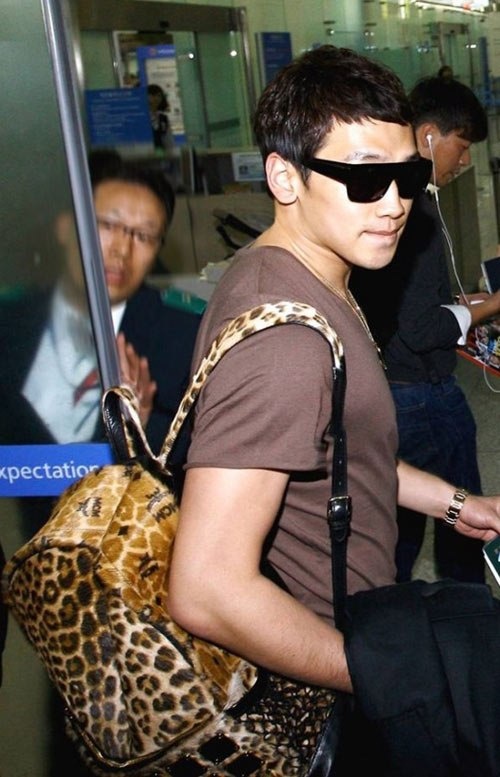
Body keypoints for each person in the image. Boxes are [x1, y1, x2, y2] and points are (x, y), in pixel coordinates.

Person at [167, 42, 500, 740]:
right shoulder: (285, 344)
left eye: (407, 176)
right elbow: (207, 588)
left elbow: (338, 448)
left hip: (360, 620)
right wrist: (373, 674)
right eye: (365, 179)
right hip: (321, 667)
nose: (395, 204)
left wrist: (457, 502)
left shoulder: (293, 274)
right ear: (284, 178)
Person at [350, 75, 500, 584]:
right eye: (461, 145)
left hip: (391, 386)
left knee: (400, 529)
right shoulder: (411, 213)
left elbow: (406, 303)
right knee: (463, 522)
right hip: (423, 393)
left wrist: (463, 302)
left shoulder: (395, 204)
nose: (464, 160)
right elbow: (420, 327)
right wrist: (491, 307)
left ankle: (390, 609)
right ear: (430, 134)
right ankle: (468, 616)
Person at [0, 158, 201, 488]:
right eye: (108, 225)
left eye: (144, 236)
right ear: (66, 227)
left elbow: (190, 466)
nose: (121, 251)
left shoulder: (185, 340)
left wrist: (140, 432)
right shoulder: (10, 326)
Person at [147, 83, 174, 151]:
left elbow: (168, 141)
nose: (156, 98)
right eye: (152, 95)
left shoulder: (163, 118)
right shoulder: (141, 117)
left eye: (159, 95)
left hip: (161, 154)